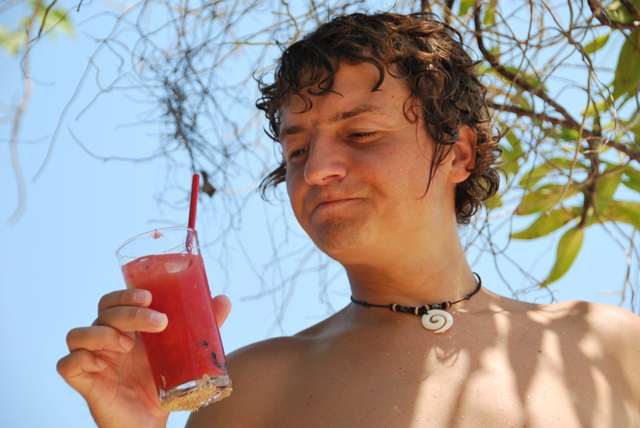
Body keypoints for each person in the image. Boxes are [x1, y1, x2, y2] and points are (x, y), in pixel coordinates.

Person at [57, 12, 640, 427]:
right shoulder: (251, 392)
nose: (316, 171)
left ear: (458, 153)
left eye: (360, 134)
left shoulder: (610, 345)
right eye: (296, 150)